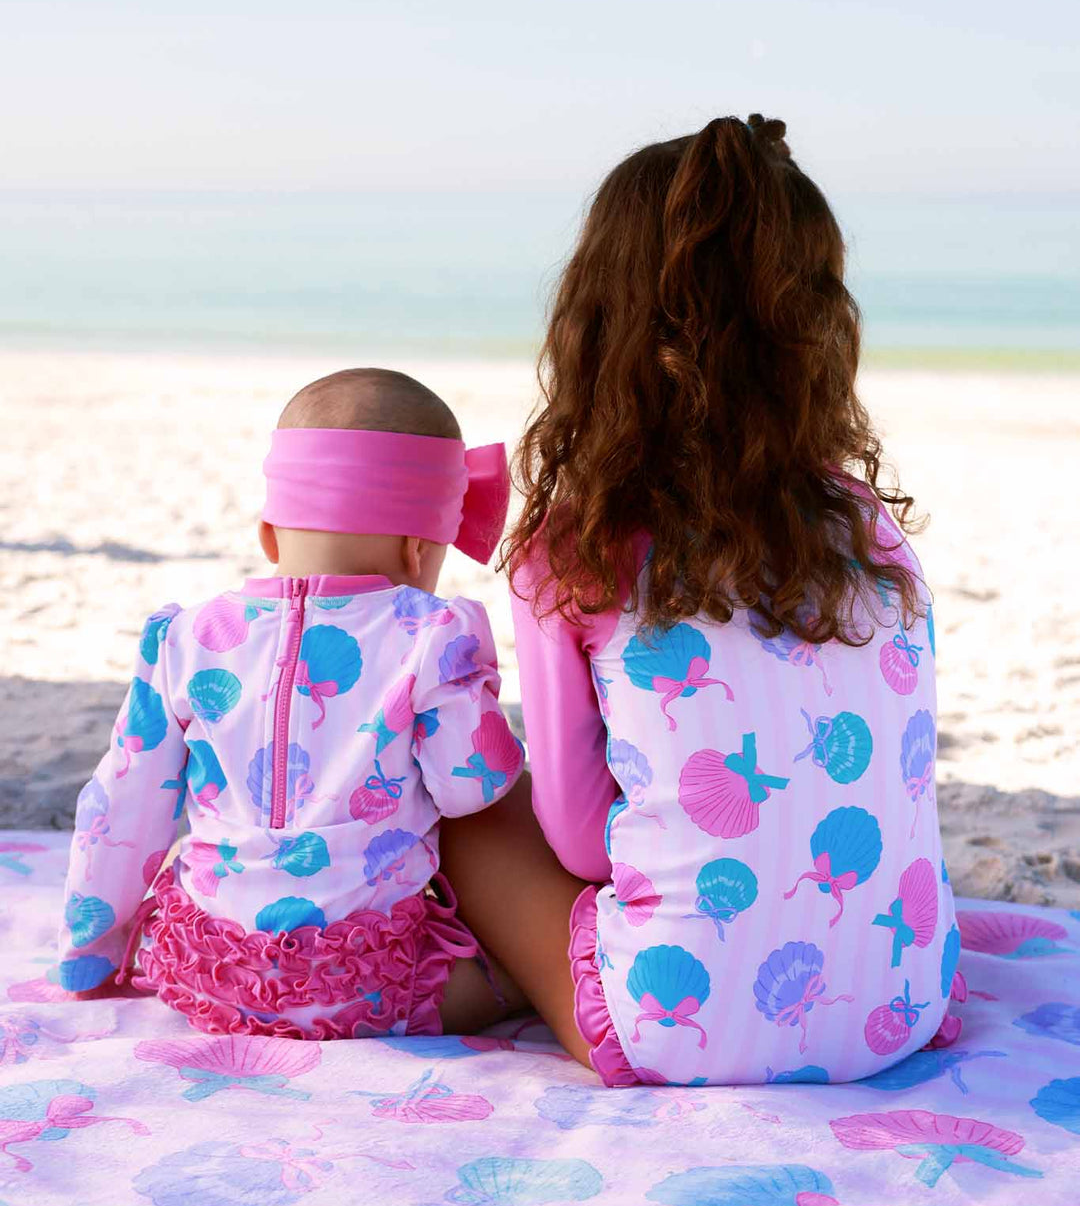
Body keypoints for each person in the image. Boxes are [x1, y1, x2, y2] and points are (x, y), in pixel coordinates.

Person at [440, 114, 957, 1086]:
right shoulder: (867, 528)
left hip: (675, 1031)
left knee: (473, 816)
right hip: (901, 1009)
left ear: (598, 322)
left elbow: (581, 842)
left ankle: (509, 981)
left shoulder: (573, 546)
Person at [56, 367, 525, 1038]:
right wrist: (474, 685)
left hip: (206, 975)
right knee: (516, 977)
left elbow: (120, 810)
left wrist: (88, 954)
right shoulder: (431, 634)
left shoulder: (186, 636)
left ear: (269, 535)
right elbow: (471, 788)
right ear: (419, 548)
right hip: (363, 985)